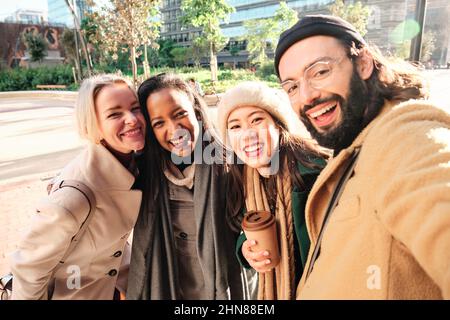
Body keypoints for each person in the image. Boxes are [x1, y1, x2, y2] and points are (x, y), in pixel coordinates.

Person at [274, 14, 450, 299]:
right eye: (292, 86)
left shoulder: (402, 134)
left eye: (320, 72)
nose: (306, 96)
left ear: (364, 63)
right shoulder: (354, 141)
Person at [10, 74, 146, 299]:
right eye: (114, 114)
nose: (131, 119)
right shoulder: (74, 198)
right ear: (94, 125)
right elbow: (28, 270)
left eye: (135, 107)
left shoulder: (131, 166)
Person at [126, 73, 246, 300]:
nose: (174, 129)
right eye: (159, 123)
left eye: (180, 114)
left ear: (197, 113)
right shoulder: (144, 173)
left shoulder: (233, 163)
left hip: (227, 288)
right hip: (169, 286)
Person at [216, 81, 328, 300]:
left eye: (257, 120)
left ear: (278, 125)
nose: (247, 134)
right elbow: (242, 226)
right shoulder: (241, 177)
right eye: (235, 126)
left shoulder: (314, 171)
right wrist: (246, 250)